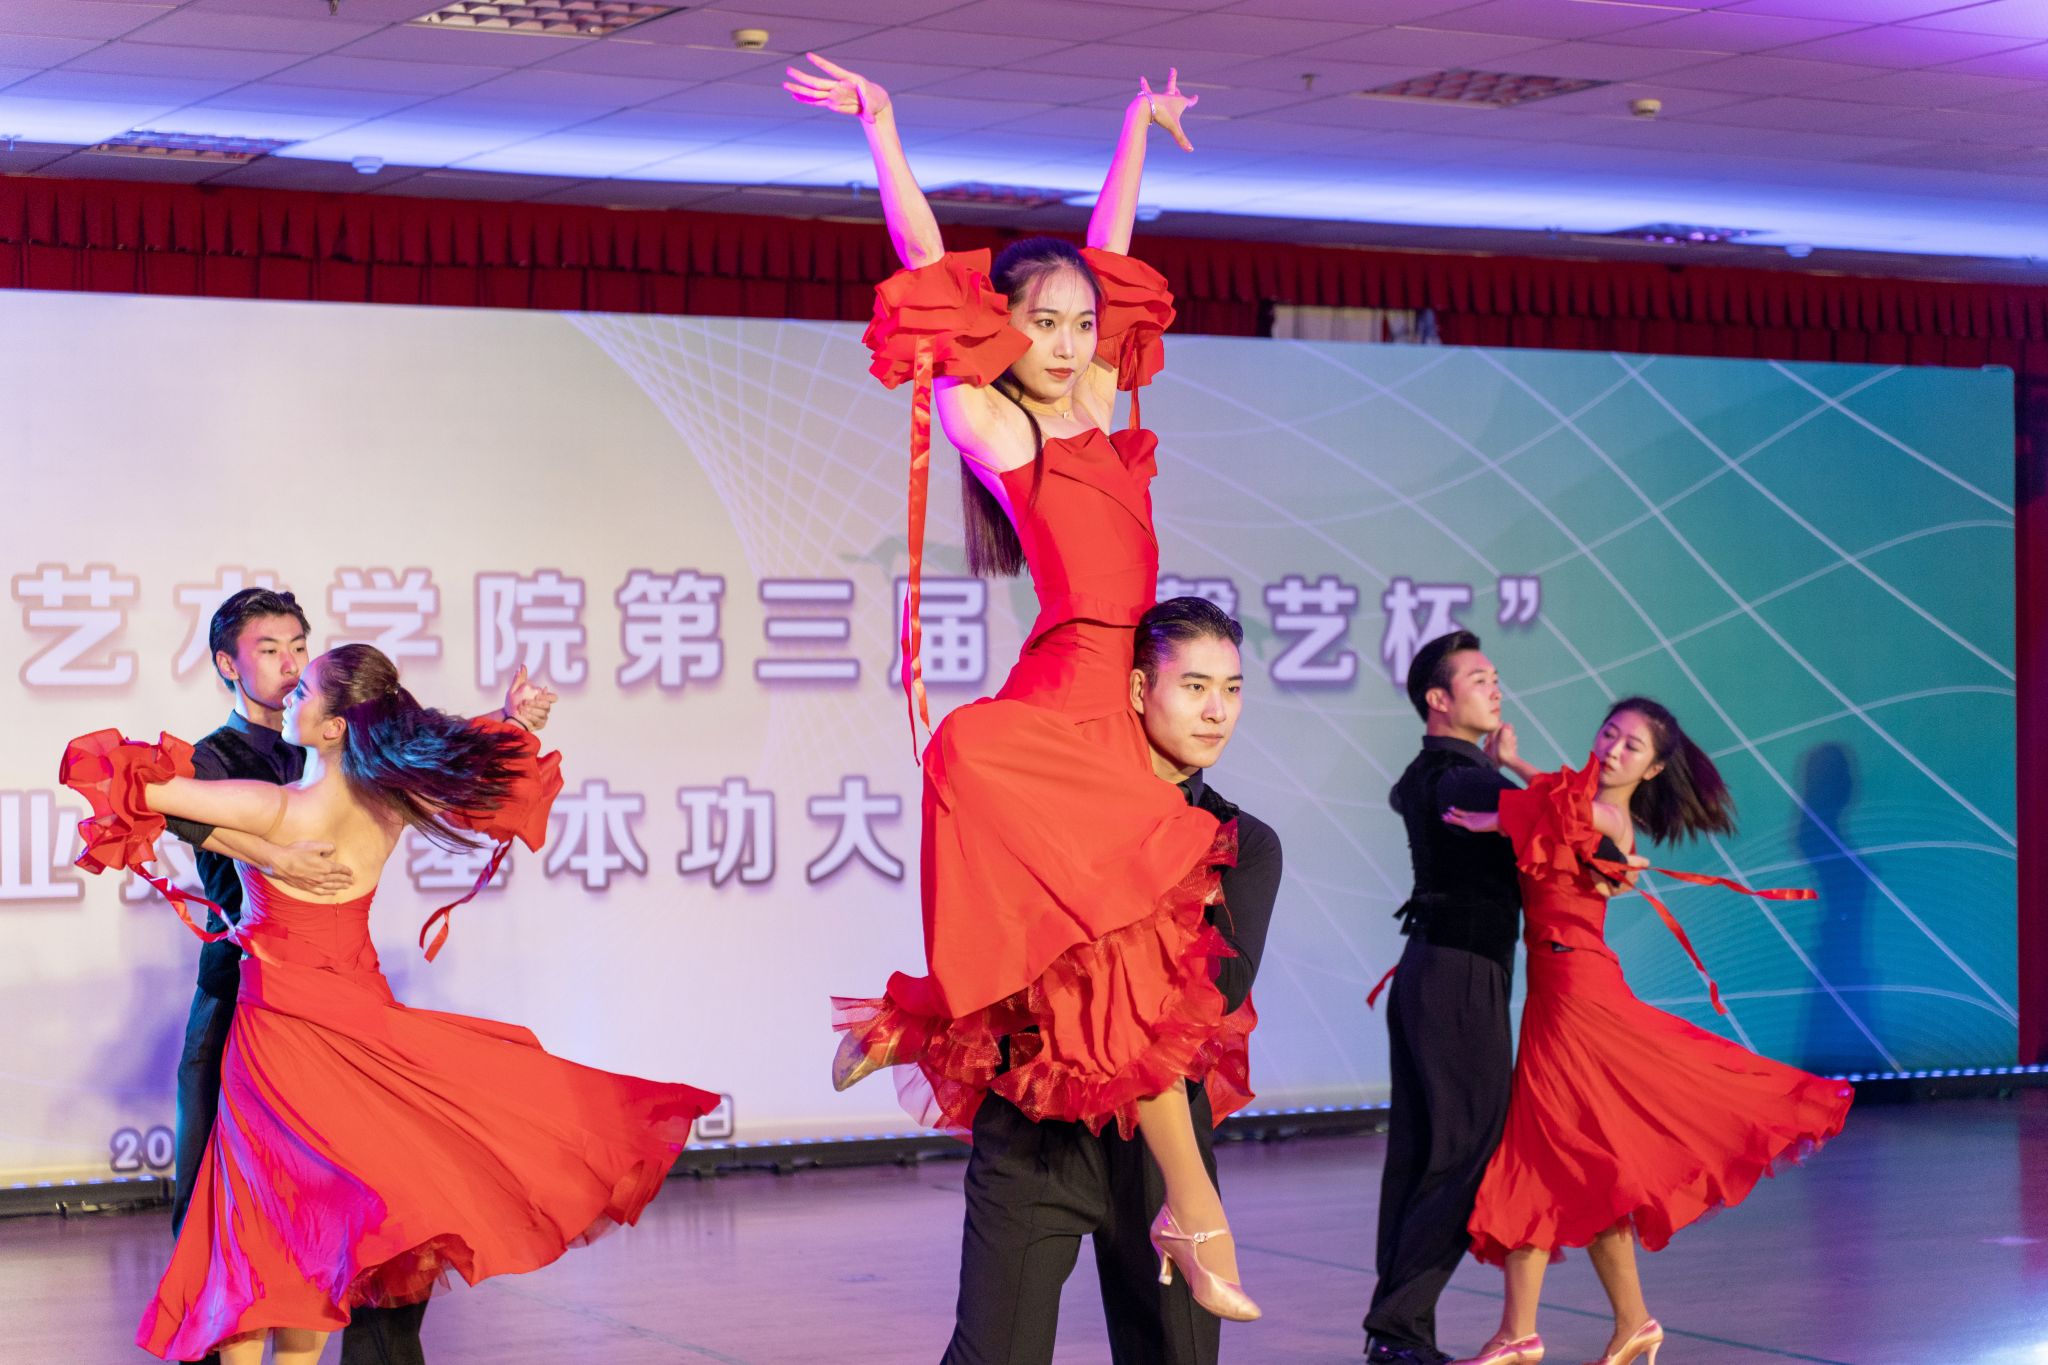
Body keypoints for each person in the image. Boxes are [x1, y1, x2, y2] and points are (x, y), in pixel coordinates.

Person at [784, 53, 1265, 1330]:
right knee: (1090, 922)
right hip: (1065, 690)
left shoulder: (1102, 397)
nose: (1063, 344)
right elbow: (927, 260)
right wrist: (883, 128)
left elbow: (1110, 251)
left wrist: (1135, 127)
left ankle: (930, 1030)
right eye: (1039, 324)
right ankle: (1187, 1212)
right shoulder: (992, 425)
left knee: (1112, 961)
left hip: (1126, 698)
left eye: (1077, 326)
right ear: (1003, 327)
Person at [61, 643, 720, 1364]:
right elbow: (458, 762)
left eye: (304, 690)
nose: (290, 691)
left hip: (281, 1036)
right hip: (358, 1020)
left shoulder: (276, 807)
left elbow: (119, 777)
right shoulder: (389, 803)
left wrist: (266, 849)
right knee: (315, 1228)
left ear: (334, 727)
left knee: (256, 1224)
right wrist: (508, 720)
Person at [158, 586, 549, 1365]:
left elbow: (409, 743)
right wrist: (271, 851)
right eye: (270, 649)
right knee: (246, 1223)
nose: (290, 663)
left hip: (322, 1012)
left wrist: (505, 720)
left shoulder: (331, 770)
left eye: (299, 648)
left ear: (336, 717)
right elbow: (179, 812)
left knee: (337, 1220)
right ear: (227, 664)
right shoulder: (229, 759)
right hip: (249, 1004)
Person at [1443, 697, 1853, 1365]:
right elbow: (1553, 804)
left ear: (1654, 767)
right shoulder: (1583, 806)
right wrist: (1510, 774)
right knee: (1580, 1161)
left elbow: (1558, 811)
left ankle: (1523, 1332)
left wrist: (1502, 793)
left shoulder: (1605, 817)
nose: (1611, 748)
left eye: (1631, 745)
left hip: (1576, 995)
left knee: (1544, 1153)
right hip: (1558, 992)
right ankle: (1619, 1323)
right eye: (1609, 733)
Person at [944, 596, 1282, 1364]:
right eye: (1194, 686)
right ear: (1137, 688)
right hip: (1036, 1129)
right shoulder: (1048, 816)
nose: (1217, 711)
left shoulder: (1242, 841)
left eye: (1231, 689)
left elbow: (1220, 992)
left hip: (1161, 1143)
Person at [1367, 631, 1537, 1365]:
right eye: (1477, 678)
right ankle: (1398, 1325)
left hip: (1431, 971)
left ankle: (1397, 1335)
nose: (1495, 687)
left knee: (1420, 1156)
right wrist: (1516, 772)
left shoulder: (1441, 770)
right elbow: (1562, 828)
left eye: (1496, 676)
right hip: (1460, 976)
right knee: (1468, 1152)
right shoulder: (1464, 779)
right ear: (1438, 698)